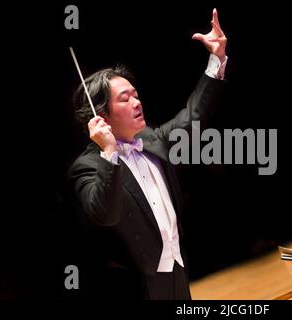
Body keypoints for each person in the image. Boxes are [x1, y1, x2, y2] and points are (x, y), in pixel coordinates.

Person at [68, 8, 227, 299]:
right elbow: (105, 213)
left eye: (136, 94)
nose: (137, 101)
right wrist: (109, 153)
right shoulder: (86, 166)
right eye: (125, 99)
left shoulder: (151, 139)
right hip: (136, 290)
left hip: (177, 274)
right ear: (101, 114)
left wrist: (215, 60)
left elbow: (193, 117)